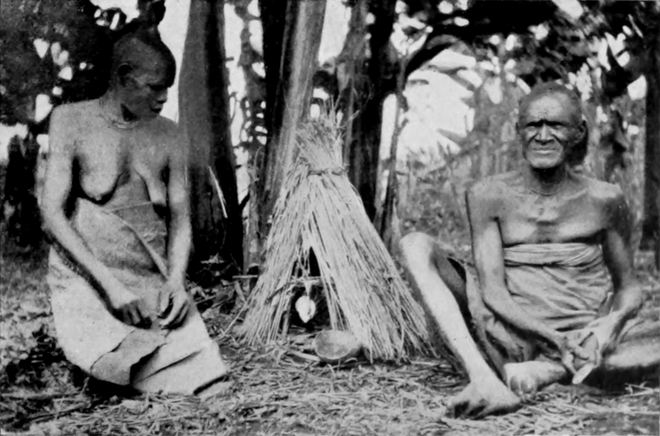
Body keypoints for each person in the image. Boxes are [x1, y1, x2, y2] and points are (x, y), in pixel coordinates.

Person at [399, 82, 660, 418]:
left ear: (579, 132)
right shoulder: (486, 195)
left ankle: (549, 372)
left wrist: (610, 325)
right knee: (414, 244)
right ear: (518, 131)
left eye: (556, 125)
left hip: (585, 336)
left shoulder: (605, 199)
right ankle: (483, 378)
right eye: (534, 125)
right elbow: (493, 292)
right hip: (509, 334)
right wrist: (553, 339)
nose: (543, 136)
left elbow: (629, 288)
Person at [40, 28, 229, 396]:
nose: (164, 98)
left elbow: (180, 219)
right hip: (87, 277)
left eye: (167, 89)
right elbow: (52, 214)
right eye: (154, 87)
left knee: (205, 375)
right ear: (125, 77)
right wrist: (111, 288)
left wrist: (176, 281)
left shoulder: (170, 135)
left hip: (148, 274)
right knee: (123, 364)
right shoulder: (70, 121)